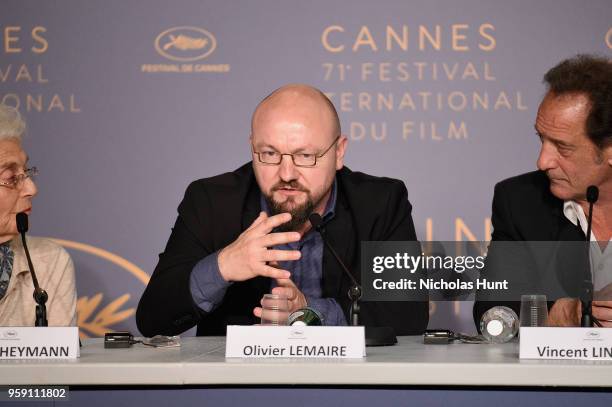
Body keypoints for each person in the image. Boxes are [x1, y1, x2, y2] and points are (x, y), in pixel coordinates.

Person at [137, 84, 428, 336]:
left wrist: (307, 313)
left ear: (339, 152)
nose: (286, 173)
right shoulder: (211, 202)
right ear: (252, 148)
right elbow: (153, 320)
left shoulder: (380, 203)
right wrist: (223, 265)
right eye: (270, 154)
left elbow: (407, 318)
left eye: (305, 155)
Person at [474, 55, 612, 328]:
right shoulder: (521, 201)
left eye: (563, 147)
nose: (542, 162)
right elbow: (492, 316)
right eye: (541, 139)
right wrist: (555, 317)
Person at [0, 104, 77, 326]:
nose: (32, 189)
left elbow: (57, 361)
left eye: (26, 172)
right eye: (11, 177)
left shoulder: (47, 261)